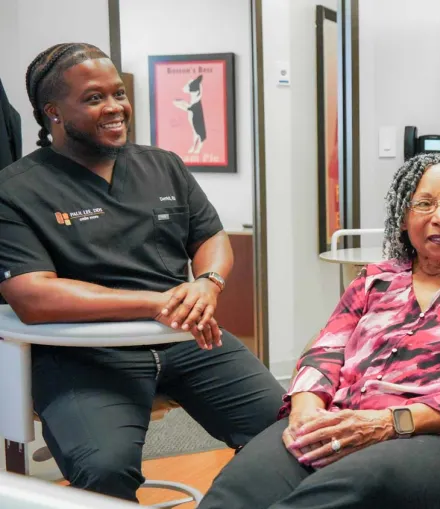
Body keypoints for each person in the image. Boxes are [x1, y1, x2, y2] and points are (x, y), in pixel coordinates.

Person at [0, 43, 284, 502]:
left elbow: (211, 238)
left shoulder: (163, 165)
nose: (115, 108)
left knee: (291, 433)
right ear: (52, 111)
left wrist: (208, 283)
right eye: (94, 98)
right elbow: (33, 297)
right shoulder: (14, 190)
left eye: (118, 94)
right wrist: (157, 303)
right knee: (103, 468)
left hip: (188, 340)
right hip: (85, 355)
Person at [197, 153, 440, 509]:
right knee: (239, 486)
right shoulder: (374, 281)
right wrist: (306, 411)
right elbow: (323, 352)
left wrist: (386, 423)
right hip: (341, 422)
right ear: (403, 218)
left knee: (343, 489)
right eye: (424, 204)